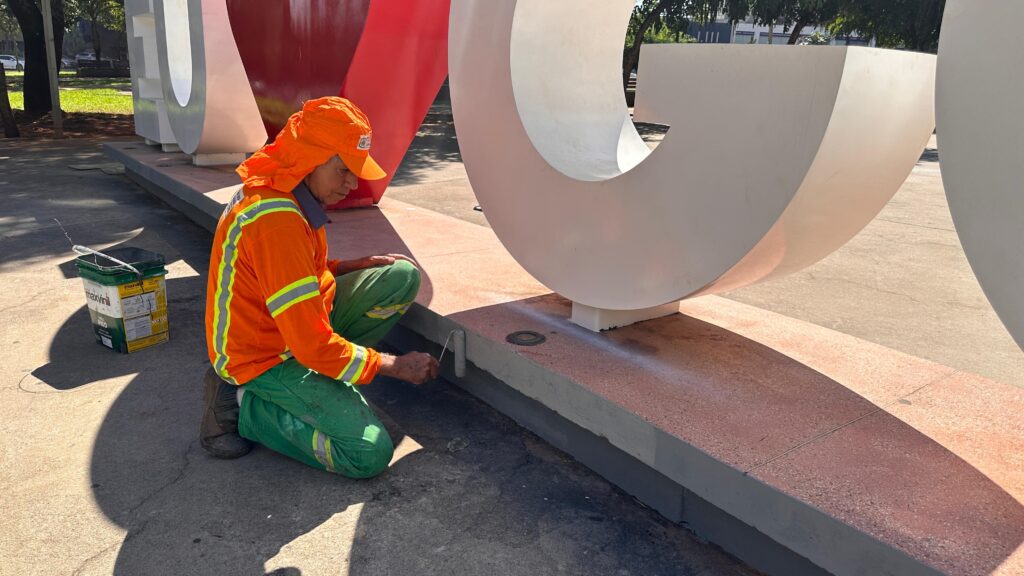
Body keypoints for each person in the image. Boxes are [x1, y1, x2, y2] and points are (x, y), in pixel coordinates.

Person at [200, 96, 439, 478]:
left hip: (289, 331)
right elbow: (309, 342)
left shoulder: (285, 189)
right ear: (310, 160)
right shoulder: (276, 220)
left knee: (399, 277)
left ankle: (325, 377)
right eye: (343, 170)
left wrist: (344, 267)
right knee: (367, 453)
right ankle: (243, 404)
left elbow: (286, 273)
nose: (352, 183)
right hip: (262, 356)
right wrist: (393, 365)